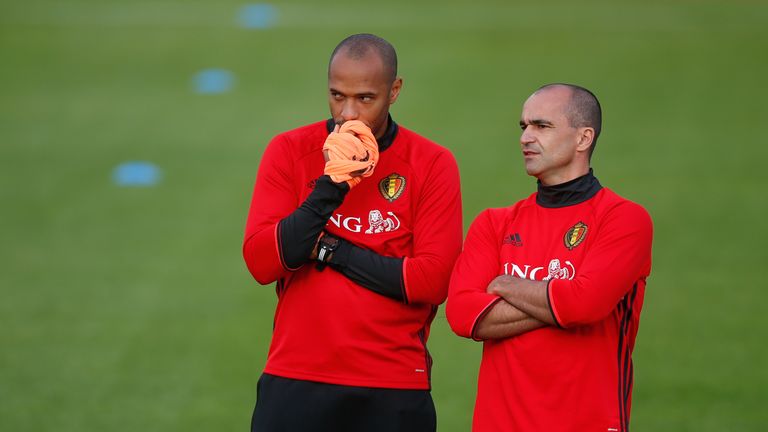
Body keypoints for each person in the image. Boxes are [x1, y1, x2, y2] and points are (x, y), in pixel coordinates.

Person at [242, 33, 462, 432]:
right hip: (296, 376)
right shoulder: (290, 150)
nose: (348, 114)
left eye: (365, 98)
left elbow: (432, 281)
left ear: (394, 91)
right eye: (337, 95)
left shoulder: (432, 163)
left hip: (393, 382)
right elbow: (262, 261)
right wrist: (331, 188)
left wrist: (327, 249)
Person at [446, 84, 653, 432]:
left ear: (583, 138)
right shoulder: (494, 224)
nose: (526, 137)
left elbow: (583, 305)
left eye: (542, 126)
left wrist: (505, 285)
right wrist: (561, 299)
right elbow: (464, 315)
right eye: (524, 126)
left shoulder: (624, 219)